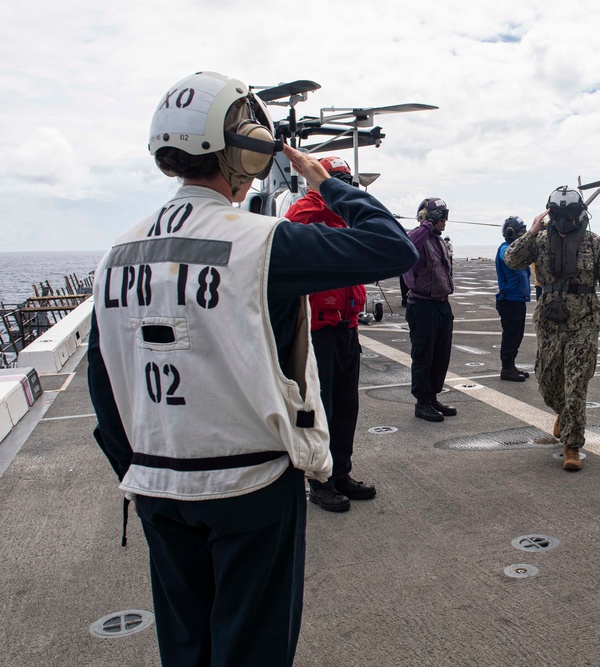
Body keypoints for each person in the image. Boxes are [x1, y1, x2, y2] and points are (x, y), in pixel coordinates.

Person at [87, 71, 417, 666]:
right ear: (240, 148)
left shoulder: (117, 255)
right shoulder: (264, 244)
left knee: (186, 647)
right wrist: (331, 184)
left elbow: (104, 384)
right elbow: (393, 248)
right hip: (249, 486)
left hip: (158, 486)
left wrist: (138, 471)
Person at [505, 186, 600, 471]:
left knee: (576, 384)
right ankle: (563, 413)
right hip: (549, 323)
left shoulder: (595, 245)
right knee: (547, 381)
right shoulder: (541, 241)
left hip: (583, 323)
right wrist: (531, 231)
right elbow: (511, 259)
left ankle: (572, 446)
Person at [284, 155, 376, 513]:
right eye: (336, 178)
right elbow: (295, 227)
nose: (344, 186)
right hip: (318, 330)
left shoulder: (344, 217)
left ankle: (341, 472)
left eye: (346, 180)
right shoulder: (305, 213)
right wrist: (324, 191)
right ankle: (319, 480)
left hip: (347, 326)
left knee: (346, 406)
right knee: (320, 407)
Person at [403, 197, 457, 422]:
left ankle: (433, 396)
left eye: (445, 215)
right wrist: (426, 223)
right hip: (423, 305)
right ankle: (422, 402)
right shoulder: (416, 237)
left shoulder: (438, 240)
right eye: (440, 216)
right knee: (423, 355)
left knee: (441, 355)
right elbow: (407, 246)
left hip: (442, 304)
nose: (444, 220)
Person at [495, 216, 532, 382]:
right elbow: (510, 258)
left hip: (519, 300)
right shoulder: (505, 249)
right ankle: (506, 368)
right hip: (509, 300)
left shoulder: (520, 252)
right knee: (510, 335)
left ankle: (511, 364)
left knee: (518, 335)